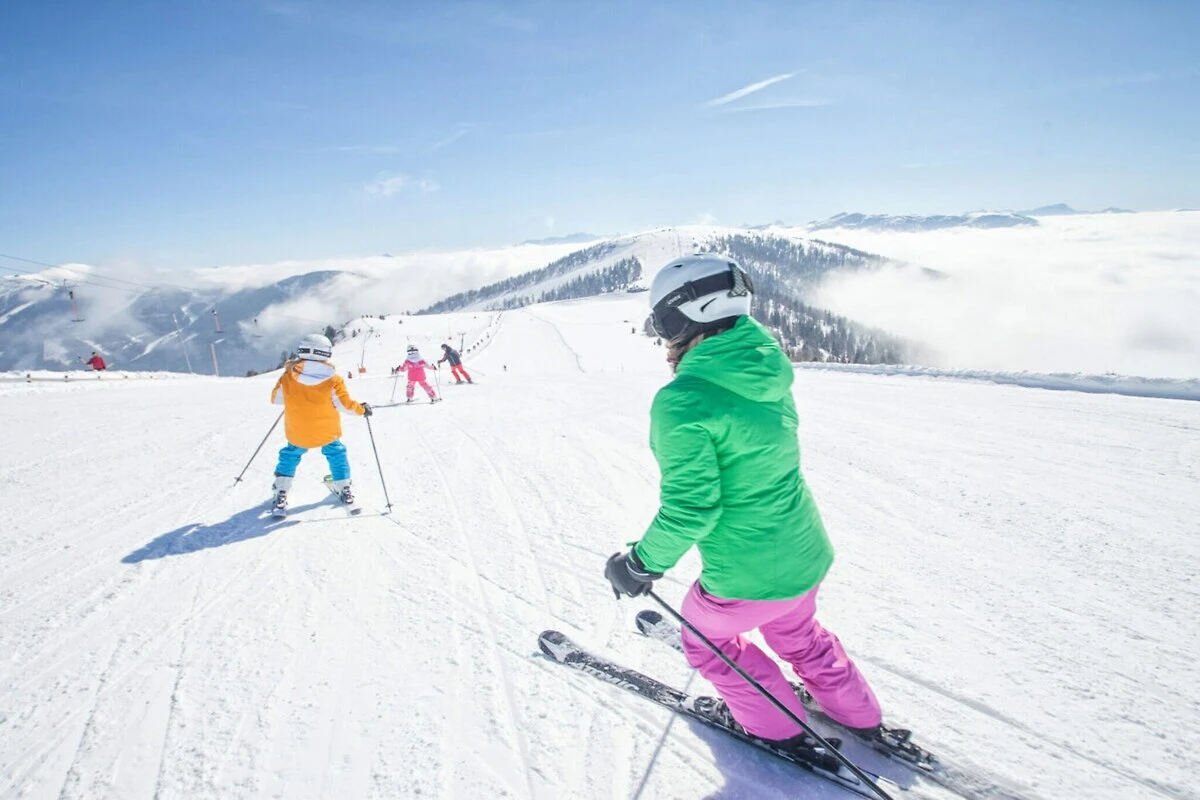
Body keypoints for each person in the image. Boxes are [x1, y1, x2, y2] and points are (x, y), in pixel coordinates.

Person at [604, 253, 882, 762]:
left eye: (662, 322)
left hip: (746, 579)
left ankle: (776, 729)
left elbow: (692, 510)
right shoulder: (767, 372)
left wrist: (640, 563)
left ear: (682, 319)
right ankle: (857, 712)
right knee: (799, 634)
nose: (662, 338)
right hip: (806, 552)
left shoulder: (684, 400)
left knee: (706, 642)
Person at [269, 333, 370, 514]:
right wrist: (362, 409)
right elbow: (345, 405)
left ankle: (281, 491)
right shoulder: (333, 379)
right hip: (327, 432)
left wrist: (291, 390)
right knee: (336, 453)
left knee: (290, 454)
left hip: (298, 432)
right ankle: (344, 488)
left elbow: (276, 399)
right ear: (326, 353)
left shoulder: (289, 377)